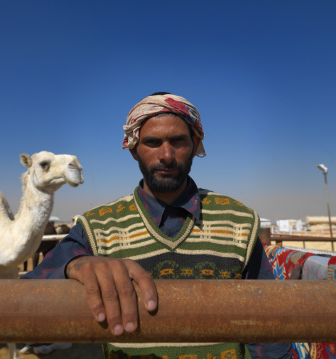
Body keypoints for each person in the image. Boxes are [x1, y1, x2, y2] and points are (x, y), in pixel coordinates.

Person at [23, 92, 292, 359]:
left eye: (178, 141)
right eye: (152, 142)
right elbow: (26, 295)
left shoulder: (238, 222)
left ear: (195, 144)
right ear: (133, 150)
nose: (166, 155)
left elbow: (268, 334)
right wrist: (75, 266)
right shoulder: (97, 228)